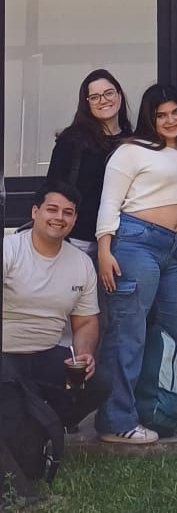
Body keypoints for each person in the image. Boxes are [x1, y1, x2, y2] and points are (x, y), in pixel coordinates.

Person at [95, 84, 177, 444]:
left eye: (176, 112)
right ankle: (116, 421)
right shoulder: (131, 151)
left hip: (176, 250)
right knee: (128, 332)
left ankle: (159, 408)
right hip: (135, 242)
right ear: (150, 119)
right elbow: (110, 201)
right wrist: (104, 248)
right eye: (161, 115)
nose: (170, 120)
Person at [2, 183, 111, 432]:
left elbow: (85, 322)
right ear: (35, 212)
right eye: (52, 209)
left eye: (67, 212)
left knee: (99, 383)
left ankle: (51, 428)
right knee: (12, 413)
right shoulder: (9, 250)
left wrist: (83, 356)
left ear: (74, 219)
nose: (59, 217)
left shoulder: (82, 263)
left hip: (45, 355)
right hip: (6, 354)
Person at [46, 69, 134, 257]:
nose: (103, 100)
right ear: (86, 104)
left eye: (109, 93)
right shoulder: (72, 140)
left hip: (121, 241)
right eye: (94, 97)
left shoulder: (133, 141)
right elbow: (53, 187)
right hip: (78, 240)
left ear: (119, 95)